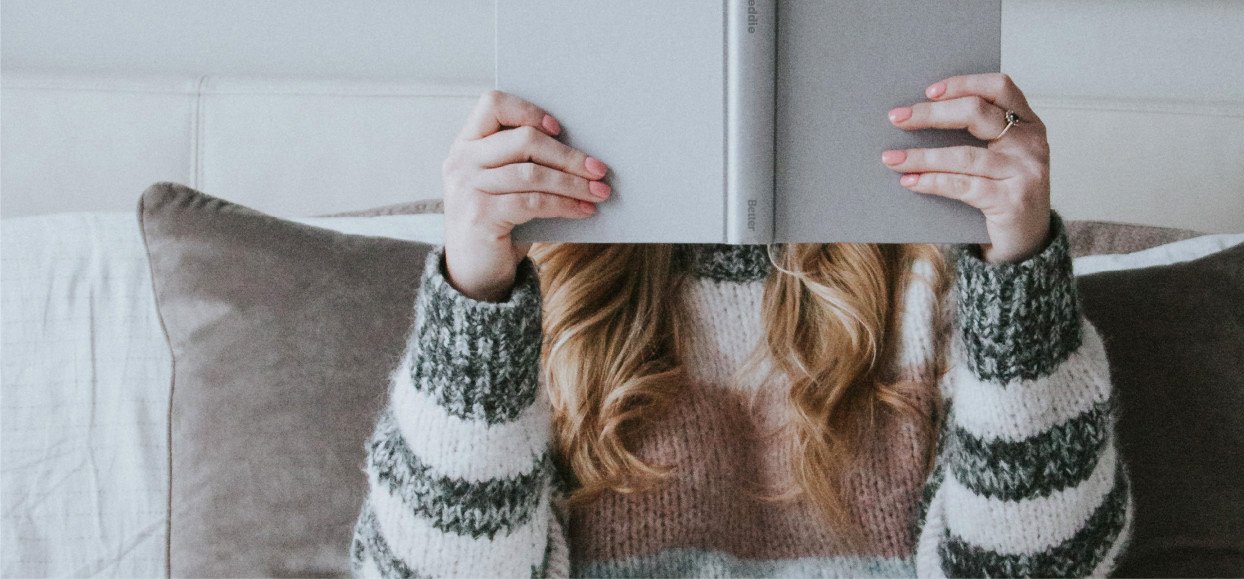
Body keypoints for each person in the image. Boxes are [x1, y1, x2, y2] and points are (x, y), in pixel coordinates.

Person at [348, 72, 1134, 578]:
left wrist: (1021, 275)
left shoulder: (938, 277)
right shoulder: (543, 286)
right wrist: (477, 295)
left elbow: (1041, 567)